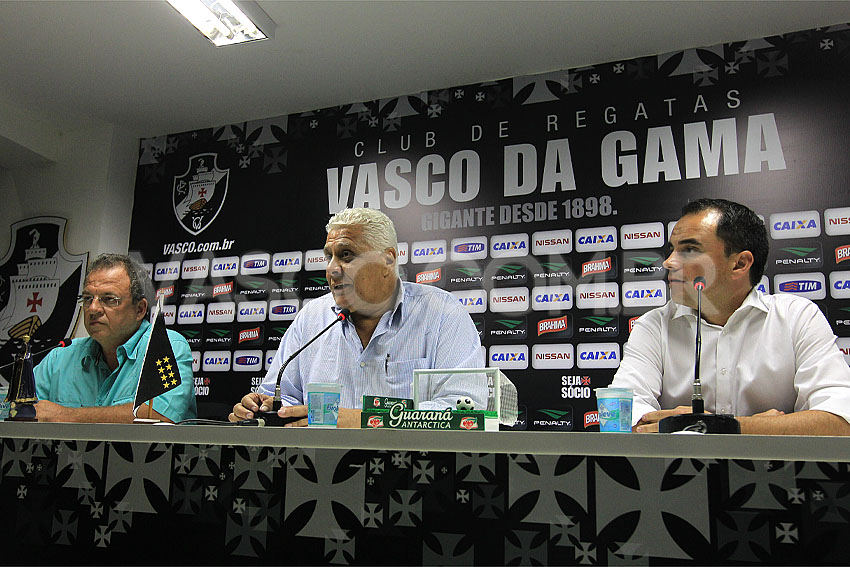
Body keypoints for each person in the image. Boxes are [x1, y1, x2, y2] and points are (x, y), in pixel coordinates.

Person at [610, 198, 850, 435]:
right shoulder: (654, 325)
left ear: (740, 263)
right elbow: (619, 418)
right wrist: (757, 427)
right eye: (672, 249)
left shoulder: (797, 318)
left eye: (690, 250)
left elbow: (840, 422)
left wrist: (715, 426)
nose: (668, 262)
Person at [229, 207, 486, 427]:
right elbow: (283, 400)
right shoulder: (311, 318)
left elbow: (467, 410)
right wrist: (261, 408)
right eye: (329, 257)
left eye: (346, 255)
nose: (332, 269)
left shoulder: (442, 314)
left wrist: (365, 421)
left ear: (388, 260)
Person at [33, 254, 197, 423]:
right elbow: (22, 411)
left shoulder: (166, 347)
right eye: (88, 298)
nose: (93, 308)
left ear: (140, 309)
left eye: (109, 299)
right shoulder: (60, 358)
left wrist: (64, 415)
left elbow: (160, 415)